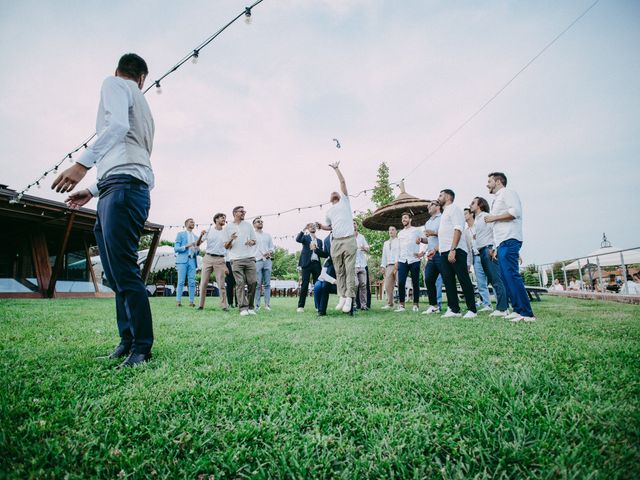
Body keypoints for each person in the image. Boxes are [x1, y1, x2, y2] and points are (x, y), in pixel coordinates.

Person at [52, 53, 155, 367]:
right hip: (116, 187)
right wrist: (94, 189)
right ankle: (126, 341)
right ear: (142, 77)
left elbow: (117, 127)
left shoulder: (114, 83)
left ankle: (141, 347)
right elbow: (131, 155)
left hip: (123, 189)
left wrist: (82, 165)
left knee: (124, 272)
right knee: (114, 273)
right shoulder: (144, 105)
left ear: (122, 73)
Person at [485, 172, 536, 322]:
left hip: (510, 238)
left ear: (498, 181)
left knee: (512, 275)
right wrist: (495, 246)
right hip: (502, 242)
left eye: (489, 181)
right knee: (506, 277)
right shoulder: (497, 198)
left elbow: (515, 212)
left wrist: (493, 217)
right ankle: (517, 309)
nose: (487, 184)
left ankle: (526, 313)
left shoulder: (508, 193)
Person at [317, 162, 357, 314]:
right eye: (332, 193)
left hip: (348, 239)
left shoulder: (345, 202)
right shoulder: (329, 212)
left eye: (336, 192)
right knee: (339, 271)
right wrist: (322, 227)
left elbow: (342, 182)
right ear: (330, 199)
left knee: (349, 270)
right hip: (336, 242)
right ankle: (342, 295)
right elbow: (330, 227)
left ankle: (349, 298)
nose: (334, 192)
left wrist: (336, 169)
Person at [437, 189, 477, 319]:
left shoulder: (454, 209)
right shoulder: (444, 213)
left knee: (463, 279)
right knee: (448, 281)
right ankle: (454, 309)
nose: (439, 197)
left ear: (448, 197)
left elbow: (458, 228)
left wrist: (452, 249)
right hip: (443, 252)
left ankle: (472, 309)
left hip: (456, 250)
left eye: (441, 195)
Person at [469, 196, 509, 316]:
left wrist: (495, 248)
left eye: (473, 203)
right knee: (492, 280)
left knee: (496, 280)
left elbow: (496, 231)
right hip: (481, 251)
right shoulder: (477, 219)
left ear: (480, 205)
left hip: (488, 250)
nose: (470, 205)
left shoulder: (486, 216)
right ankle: (501, 307)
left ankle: (503, 308)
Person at [223, 206, 257, 316]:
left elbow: (254, 240)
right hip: (236, 259)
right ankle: (243, 308)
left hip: (249, 257)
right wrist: (231, 239)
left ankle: (251, 307)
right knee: (240, 283)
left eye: (244, 211)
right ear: (234, 213)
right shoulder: (228, 227)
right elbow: (226, 246)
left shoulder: (248, 225)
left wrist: (251, 242)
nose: (244, 213)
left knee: (253, 282)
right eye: (241, 211)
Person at [196, 213, 229, 311]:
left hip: (220, 259)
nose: (224, 219)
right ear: (216, 219)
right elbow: (198, 244)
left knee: (221, 284)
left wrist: (225, 264)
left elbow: (227, 248)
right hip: (208, 258)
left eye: (225, 218)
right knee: (203, 283)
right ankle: (201, 305)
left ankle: (224, 306)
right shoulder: (209, 230)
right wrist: (200, 235)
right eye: (222, 217)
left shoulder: (226, 232)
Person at [418, 200, 444, 314]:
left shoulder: (443, 218)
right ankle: (433, 306)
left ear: (437, 206)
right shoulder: (428, 222)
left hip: (443, 253)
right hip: (431, 254)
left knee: (448, 280)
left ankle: (452, 306)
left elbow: (446, 234)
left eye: (431, 204)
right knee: (428, 279)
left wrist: (434, 233)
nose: (428, 207)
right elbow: (428, 239)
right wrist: (421, 240)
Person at [464, 208, 492, 311]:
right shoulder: (465, 232)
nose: (464, 216)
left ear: (471, 214)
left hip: (486, 254)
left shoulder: (479, 224)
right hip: (475, 257)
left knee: (494, 279)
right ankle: (487, 304)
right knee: (481, 283)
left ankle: (503, 304)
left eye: (466, 213)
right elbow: (468, 248)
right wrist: (468, 264)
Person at [395, 212, 422, 312]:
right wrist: (396, 260)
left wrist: (421, 252)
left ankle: (416, 304)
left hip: (414, 259)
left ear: (410, 219)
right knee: (401, 282)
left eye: (406, 218)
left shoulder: (416, 230)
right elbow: (398, 248)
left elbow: (424, 240)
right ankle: (401, 305)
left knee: (415, 283)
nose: (404, 220)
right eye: (402, 218)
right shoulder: (400, 233)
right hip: (402, 260)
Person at [296, 223, 324, 313]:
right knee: (304, 285)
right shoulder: (305, 237)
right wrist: (304, 228)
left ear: (316, 228)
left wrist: (316, 249)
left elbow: (322, 253)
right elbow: (298, 239)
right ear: (308, 228)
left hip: (316, 264)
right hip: (306, 264)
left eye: (314, 226)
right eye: (310, 226)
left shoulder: (319, 241)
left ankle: (318, 306)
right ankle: (300, 306)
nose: (312, 227)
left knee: (318, 285)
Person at [174, 218, 199, 307]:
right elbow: (176, 249)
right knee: (180, 281)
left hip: (192, 260)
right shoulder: (180, 234)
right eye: (191, 221)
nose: (193, 223)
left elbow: (198, 252)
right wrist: (186, 246)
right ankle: (178, 301)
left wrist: (197, 249)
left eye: (194, 222)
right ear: (186, 224)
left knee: (192, 282)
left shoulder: (196, 237)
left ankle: (191, 302)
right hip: (182, 261)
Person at [314, 234, 339, 316]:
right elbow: (323, 275)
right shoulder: (328, 261)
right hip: (326, 280)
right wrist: (335, 281)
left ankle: (351, 308)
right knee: (323, 286)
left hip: (340, 279)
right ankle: (321, 311)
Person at [253, 217, 274, 311]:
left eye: (261, 222)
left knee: (267, 284)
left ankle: (267, 305)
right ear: (254, 224)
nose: (260, 223)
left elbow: (272, 248)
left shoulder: (267, 235)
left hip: (267, 261)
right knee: (257, 284)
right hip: (257, 261)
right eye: (258, 221)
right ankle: (257, 305)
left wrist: (269, 252)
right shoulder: (251, 235)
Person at [380, 226, 400, 309]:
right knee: (388, 285)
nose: (391, 231)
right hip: (389, 265)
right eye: (389, 230)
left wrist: (397, 263)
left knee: (400, 284)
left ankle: (401, 304)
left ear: (396, 231)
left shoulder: (399, 241)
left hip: (398, 264)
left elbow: (400, 252)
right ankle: (390, 303)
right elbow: (384, 255)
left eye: (393, 230)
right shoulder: (386, 243)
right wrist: (383, 266)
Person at [354, 222, 370, 310]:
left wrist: (364, 248)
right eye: (352, 223)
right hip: (353, 265)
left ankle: (363, 305)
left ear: (357, 226)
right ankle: (353, 305)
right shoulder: (348, 237)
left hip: (362, 264)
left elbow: (367, 248)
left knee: (363, 285)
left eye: (355, 223)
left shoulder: (362, 237)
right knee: (355, 284)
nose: (353, 225)